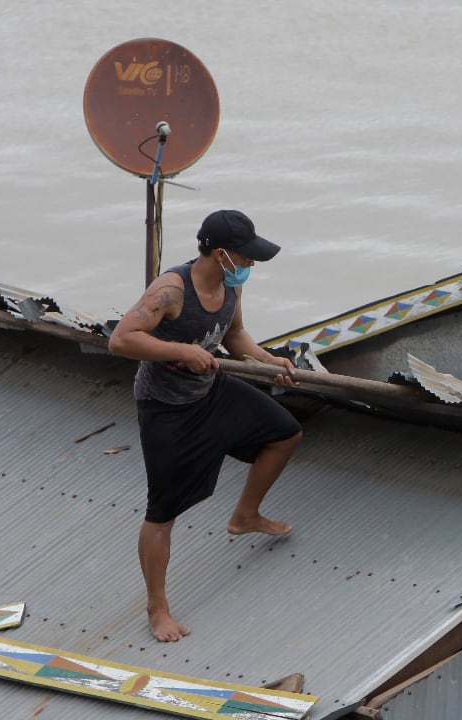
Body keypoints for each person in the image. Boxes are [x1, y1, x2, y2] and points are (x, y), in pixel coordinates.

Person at [109, 209, 302, 642]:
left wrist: (268, 361)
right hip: (165, 408)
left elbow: (234, 334)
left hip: (210, 391)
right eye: (245, 257)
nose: (250, 265)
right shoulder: (172, 290)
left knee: (285, 432)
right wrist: (179, 349)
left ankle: (245, 515)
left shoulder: (229, 286)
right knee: (162, 513)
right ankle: (157, 609)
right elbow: (121, 339)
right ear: (221, 254)